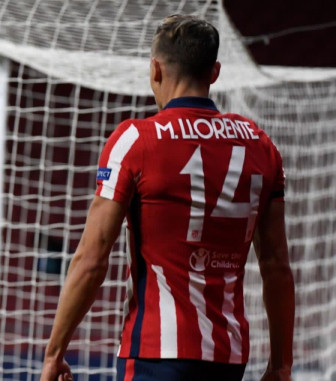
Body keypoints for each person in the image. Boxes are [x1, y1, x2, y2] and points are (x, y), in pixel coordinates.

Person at [41, 14, 294, 381]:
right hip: (228, 356)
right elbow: (276, 265)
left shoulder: (136, 140)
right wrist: (282, 365)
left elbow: (92, 259)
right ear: (215, 72)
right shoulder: (260, 145)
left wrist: (54, 353)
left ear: (155, 69)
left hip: (155, 353)